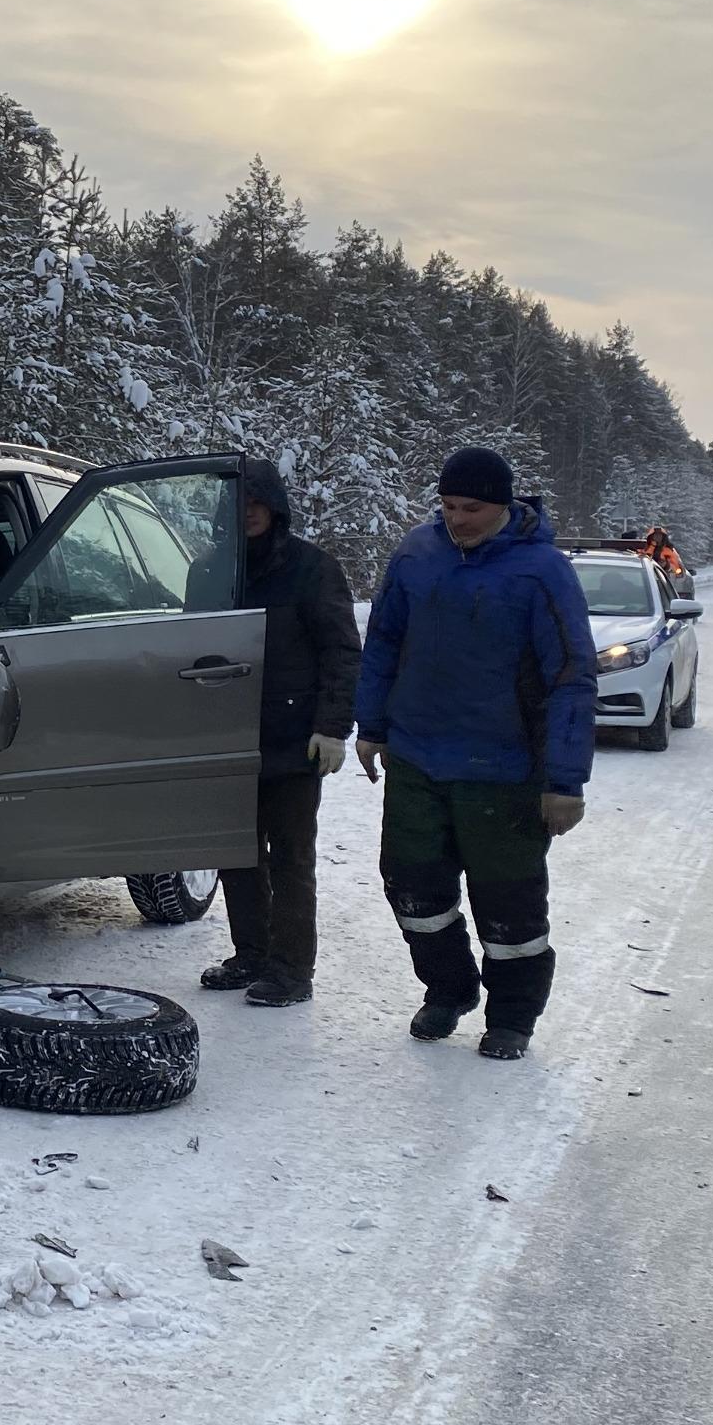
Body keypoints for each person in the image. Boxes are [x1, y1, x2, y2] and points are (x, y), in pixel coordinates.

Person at [350, 446, 595, 1060]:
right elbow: (383, 642)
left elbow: (571, 676)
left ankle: (512, 1017)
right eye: (449, 505)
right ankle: (448, 989)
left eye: (472, 508)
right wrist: (371, 726)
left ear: (505, 505)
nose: (457, 518)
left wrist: (565, 781)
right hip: (415, 757)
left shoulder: (541, 571)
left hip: (503, 769)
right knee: (411, 886)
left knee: (507, 900)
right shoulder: (416, 554)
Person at [192, 461, 361, 1007]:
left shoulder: (313, 568)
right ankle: (252, 953)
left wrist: (332, 727)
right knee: (238, 852)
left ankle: (292, 969)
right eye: (238, 504)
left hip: (294, 737)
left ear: (275, 506)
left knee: (290, 856)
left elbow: (341, 650)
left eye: (257, 503)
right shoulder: (209, 571)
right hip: (230, 735)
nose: (248, 513)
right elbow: (191, 653)